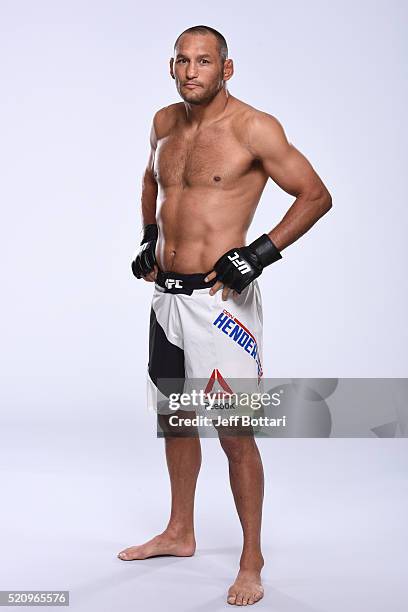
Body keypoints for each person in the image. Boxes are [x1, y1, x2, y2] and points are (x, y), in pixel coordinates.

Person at [118, 25, 332, 606]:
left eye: (204, 62)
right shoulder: (164, 123)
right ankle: (180, 531)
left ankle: (251, 559)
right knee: (177, 419)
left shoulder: (253, 128)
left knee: (235, 433)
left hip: (220, 306)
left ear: (226, 69)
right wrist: (147, 237)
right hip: (166, 296)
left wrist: (257, 255)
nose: (192, 72)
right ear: (172, 66)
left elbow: (315, 195)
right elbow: (151, 182)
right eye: (183, 62)